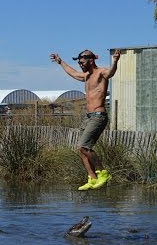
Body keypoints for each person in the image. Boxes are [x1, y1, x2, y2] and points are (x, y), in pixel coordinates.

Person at [49, 48, 121, 190]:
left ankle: (103, 173)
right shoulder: (86, 76)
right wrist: (60, 62)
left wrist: (115, 61)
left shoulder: (101, 73)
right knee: (80, 149)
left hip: (98, 116)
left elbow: (111, 72)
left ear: (91, 60)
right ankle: (92, 178)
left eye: (82, 63)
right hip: (88, 117)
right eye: (80, 63)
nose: (80, 65)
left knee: (84, 146)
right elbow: (72, 73)